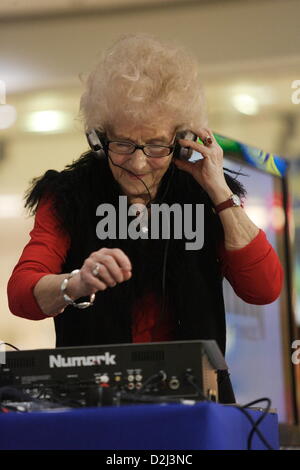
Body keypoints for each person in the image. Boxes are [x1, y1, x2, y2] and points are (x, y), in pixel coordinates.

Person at [7, 34, 283, 403]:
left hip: (199, 401)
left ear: (182, 140)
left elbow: (264, 289)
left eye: (156, 145)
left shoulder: (205, 195)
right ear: (98, 138)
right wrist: (75, 283)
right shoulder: (68, 196)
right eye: (122, 144)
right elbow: (21, 293)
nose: (137, 164)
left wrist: (219, 191)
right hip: (94, 405)